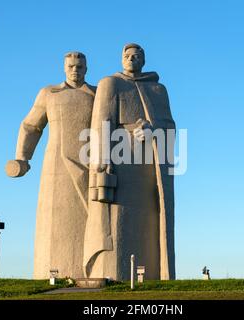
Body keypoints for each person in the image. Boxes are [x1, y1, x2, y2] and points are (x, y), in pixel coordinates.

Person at [83, 43, 176, 280]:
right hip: (119, 165)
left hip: (148, 170)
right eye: (127, 55)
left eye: (136, 56)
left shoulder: (158, 90)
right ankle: (115, 275)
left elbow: (170, 126)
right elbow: (101, 123)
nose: (131, 59)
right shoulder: (110, 84)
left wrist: (153, 128)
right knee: (116, 223)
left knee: (148, 223)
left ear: (143, 60)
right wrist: (102, 163)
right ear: (121, 59)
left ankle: (151, 275)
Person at [6, 52, 96, 279]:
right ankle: (52, 271)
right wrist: (22, 157)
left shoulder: (97, 94)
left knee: (91, 220)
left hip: (91, 165)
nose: (75, 70)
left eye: (80, 66)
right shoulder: (49, 93)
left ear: (86, 69)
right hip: (56, 167)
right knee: (55, 224)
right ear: (64, 68)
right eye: (71, 66)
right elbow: (31, 126)